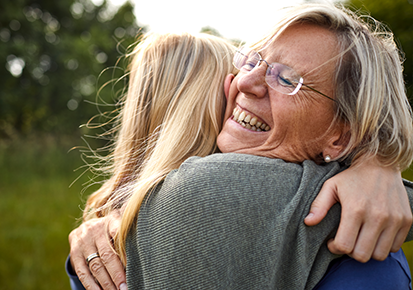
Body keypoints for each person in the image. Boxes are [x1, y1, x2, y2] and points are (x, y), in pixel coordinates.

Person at [67, 3, 413, 289]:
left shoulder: (367, 265)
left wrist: (379, 163)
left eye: (288, 79)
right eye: (251, 61)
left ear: (340, 137)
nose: (245, 82)